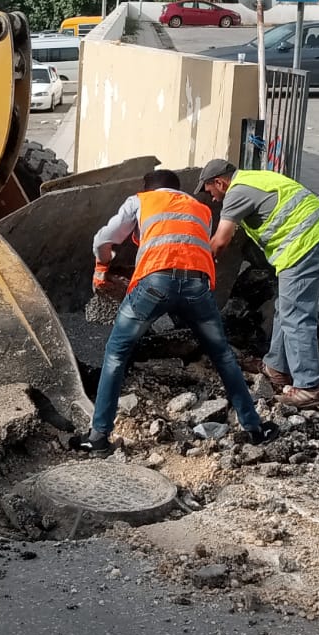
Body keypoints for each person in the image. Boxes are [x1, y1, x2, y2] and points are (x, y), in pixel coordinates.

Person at [79, 168, 279, 452]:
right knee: (222, 355)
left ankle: (98, 437)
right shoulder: (200, 209)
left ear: (148, 189)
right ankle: (254, 429)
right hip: (197, 287)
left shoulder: (140, 200)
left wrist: (102, 268)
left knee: (116, 353)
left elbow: (103, 239)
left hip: (154, 284)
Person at [201, 159, 319, 410]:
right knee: (286, 308)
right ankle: (276, 366)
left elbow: (220, 241)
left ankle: (310, 387)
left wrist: (198, 265)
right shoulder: (257, 179)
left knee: (296, 315)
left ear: (220, 182)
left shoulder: (236, 193)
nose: (212, 198)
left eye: (210, 191)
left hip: (303, 245)